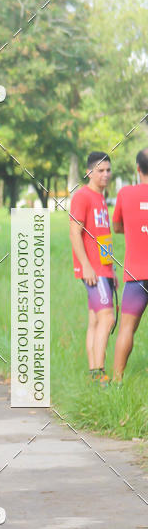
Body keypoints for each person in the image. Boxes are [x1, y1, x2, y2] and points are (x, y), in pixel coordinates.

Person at [69, 151, 117, 383]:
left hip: (104, 269)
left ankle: (93, 374)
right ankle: (99, 374)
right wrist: (86, 267)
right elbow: (74, 233)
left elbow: (103, 237)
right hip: (92, 271)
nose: (105, 174)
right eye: (100, 170)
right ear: (89, 172)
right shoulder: (83, 196)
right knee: (108, 318)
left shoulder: (101, 199)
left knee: (96, 321)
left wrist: (112, 270)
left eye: (108, 170)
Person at [111, 147, 148, 380]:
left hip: (135, 275)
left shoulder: (125, 194)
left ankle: (116, 381)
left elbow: (116, 227)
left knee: (126, 329)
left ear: (137, 168)